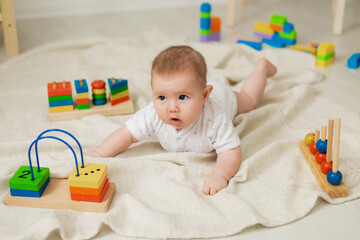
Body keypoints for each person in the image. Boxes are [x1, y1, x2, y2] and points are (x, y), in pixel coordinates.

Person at [87, 45, 277, 195]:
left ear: (204, 95)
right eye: (162, 97)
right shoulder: (153, 112)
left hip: (223, 96)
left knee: (249, 100)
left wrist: (220, 175)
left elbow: (231, 151)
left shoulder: (216, 118)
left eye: (182, 97)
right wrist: (100, 152)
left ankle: (262, 67)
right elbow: (126, 134)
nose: (172, 107)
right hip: (198, 87)